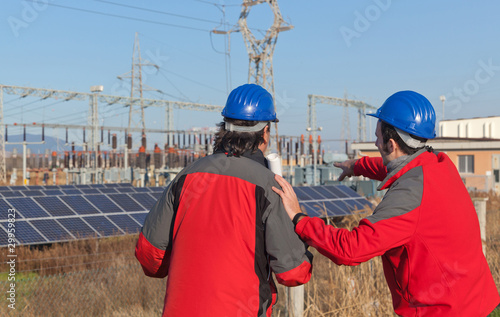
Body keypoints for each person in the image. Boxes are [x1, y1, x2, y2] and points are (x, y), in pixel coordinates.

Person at [273, 90, 500, 316]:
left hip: (443, 311)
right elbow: (398, 168)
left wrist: (299, 218)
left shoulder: (407, 198)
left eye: (378, 138)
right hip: (476, 300)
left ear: (391, 144)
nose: (375, 142)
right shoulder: (440, 165)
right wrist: (357, 166)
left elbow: (351, 249)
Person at [135, 84, 313, 317]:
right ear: (265, 132)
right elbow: (293, 272)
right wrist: (303, 231)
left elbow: (149, 256)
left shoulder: (187, 176)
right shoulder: (269, 186)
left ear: (224, 127)